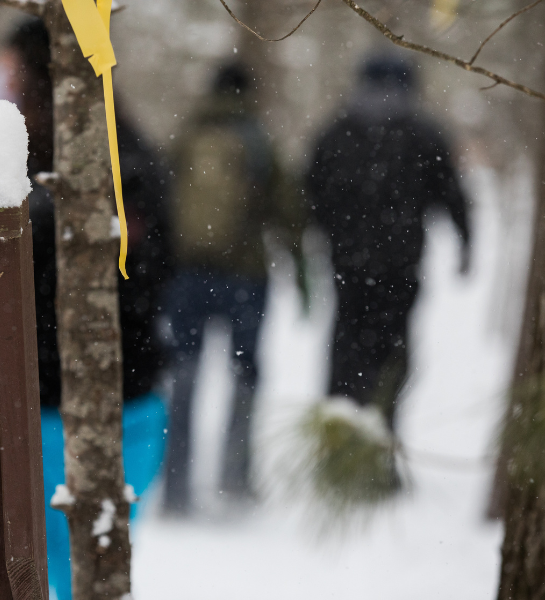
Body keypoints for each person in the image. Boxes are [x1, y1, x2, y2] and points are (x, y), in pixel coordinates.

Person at [0, 19, 170, 600]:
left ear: (46, 76)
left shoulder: (107, 166)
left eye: (11, 69)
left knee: (71, 560)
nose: (3, 82)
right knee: (73, 559)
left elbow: (140, 280)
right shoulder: (111, 148)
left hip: (91, 405)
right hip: (109, 398)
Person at [163, 63, 303, 514]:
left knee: (184, 373)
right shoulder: (257, 139)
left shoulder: (187, 135)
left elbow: (159, 200)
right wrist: (302, 268)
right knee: (244, 375)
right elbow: (287, 209)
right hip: (246, 275)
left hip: (186, 275)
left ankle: (176, 486)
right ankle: (234, 478)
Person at [305, 53, 471, 429]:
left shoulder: (337, 130)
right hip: (402, 266)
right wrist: (466, 242)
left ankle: (338, 434)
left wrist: (328, 233)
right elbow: (452, 194)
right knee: (392, 353)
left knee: (347, 347)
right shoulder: (424, 133)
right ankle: (381, 433)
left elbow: (311, 191)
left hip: (348, 264)